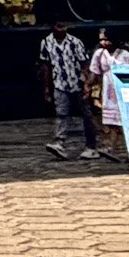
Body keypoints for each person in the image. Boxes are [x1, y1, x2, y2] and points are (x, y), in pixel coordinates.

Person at [40, 21, 100, 159]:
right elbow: (46, 66)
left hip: (77, 82)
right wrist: (46, 88)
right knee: (61, 113)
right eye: (59, 26)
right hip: (60, 83)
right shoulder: (46, 43)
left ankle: (91, 146)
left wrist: (87, 84)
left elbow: (84, 62)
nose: (62, 29)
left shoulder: (75, 42)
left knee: (86, 114)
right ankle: (59, 142)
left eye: (64, 26)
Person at [88, 29, 129, 158]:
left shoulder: (125, 55)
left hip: (124, 91)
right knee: (112, 122)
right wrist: (88, 86)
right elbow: (94, 71)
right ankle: (112, 148)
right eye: (101, 40)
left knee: (126, 122)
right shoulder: (99, 54)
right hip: (109, 92)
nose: (104, 43)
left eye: (106, 40)